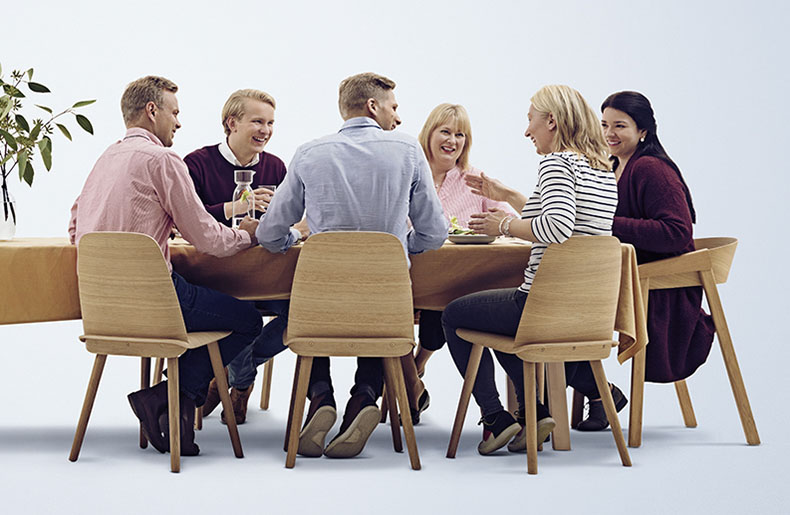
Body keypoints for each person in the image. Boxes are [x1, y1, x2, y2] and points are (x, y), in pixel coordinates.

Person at [255, 72, 448, 459]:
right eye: (393, 107)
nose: (398, 116)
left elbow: (268, 233)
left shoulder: (310, 153)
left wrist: (292, 238)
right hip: (385, 305)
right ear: (373, 106)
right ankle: (364, 396)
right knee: (378, 306)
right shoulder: (408, 150)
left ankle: (320, 396)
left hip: (321, 306)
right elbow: (435, 232)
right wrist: (400, 246)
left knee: (311, 305)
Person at [68, 76, 263, 457]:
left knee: (203, 306)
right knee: (248, 320)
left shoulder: (106, 157)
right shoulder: (162, 159)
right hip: (155, 302)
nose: (179, 122)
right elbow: (207, 239)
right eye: (174, 113)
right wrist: (248, 236)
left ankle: (174, 407)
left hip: (101, 307)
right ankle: (166, 396)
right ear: (152, 111)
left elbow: (76, 227)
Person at [443, 85, 618, 455]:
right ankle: (533, 413)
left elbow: (556, 227)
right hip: (582, 310)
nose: (527, 131)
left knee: (454, 314)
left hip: (542, 306)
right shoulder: (602, 169)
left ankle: (495, 417)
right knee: (497, 321)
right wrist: (506, 196)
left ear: (551, 121)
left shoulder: (557, 163)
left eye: (530, 120)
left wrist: (503, 226)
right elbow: (569, 222)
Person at [567, 91, 715, 431]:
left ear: (643, 130)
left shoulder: (651, 168)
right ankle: (595, 396)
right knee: (556, 304)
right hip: (623, 275)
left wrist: (604, 223)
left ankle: (577, 400)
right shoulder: (613, 166)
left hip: (661, 285)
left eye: (620, 126)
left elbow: (677, 232)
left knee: (556, 311)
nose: (609, 134)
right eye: (604, 125)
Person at [184, 89, 303, 425]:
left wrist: (284, 220)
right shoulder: (196, 163)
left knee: (302, 312)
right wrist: (235, 207)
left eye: (270, 123)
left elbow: (292, 223)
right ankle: (241, 386)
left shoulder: (276, 166)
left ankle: (228, 374)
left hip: (266, 275)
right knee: (240, 312)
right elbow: (185, 219)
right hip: (215, 277)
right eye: (257, 121)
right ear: (231, 123)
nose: (265, 130)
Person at [404, 103, 515, 423]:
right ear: (429, 133)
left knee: (445, 303)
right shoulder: (408, 174)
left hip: (460, 281)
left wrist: (498, 223)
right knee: (410, 308)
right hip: (409, 279)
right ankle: (411, 375)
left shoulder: (475, 180)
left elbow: (509, 219)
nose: (452, 140)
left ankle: (415, 368)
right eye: (445, 132)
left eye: (460, 134)